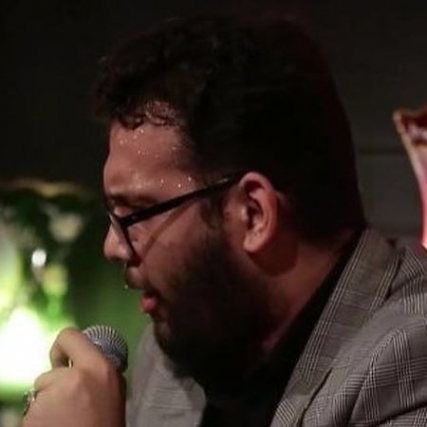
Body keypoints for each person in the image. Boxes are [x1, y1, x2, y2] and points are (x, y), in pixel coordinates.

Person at [22, 9, 427, 427]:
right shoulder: (181, 342)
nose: (112, 246)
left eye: (137, 212)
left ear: (253, 214)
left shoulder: (410, 358)